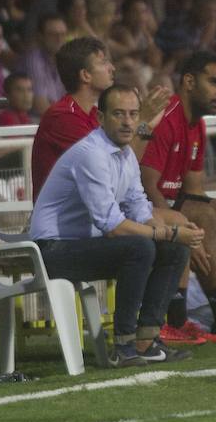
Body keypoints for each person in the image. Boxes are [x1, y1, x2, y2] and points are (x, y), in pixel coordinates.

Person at [29, 85, 203, 367]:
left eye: (133, 114)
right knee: (140, 247)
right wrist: (168, 231)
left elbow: (139, 207)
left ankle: (147, 339)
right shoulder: (91, 154)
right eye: (119, 114)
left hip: (82, 245)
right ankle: (124, 345)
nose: (127, 122)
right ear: (100, 118)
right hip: (51, 250)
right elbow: (112, 226)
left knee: (174, 250)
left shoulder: (125, 156)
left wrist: (174, 236)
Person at [140, 51, 216, 341]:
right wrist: (179, 227)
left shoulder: (197, 123)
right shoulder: (166, 117)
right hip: (142, 207)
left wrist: (197, 230)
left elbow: (193, 190)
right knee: (200, 215)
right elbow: (145, 184)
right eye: (214, 83)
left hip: (169, 205)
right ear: (189, 81)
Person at [31, 36, 169, 200]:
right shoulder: (63, 117)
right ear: (85, 75)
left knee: (178, 220)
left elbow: (127, 164)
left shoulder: (95, 114)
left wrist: (147, 126)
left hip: (97, 210)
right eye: (103, 62)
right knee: (171, 223)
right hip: (66, 221)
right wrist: (143, 121)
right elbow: (112, 170)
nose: (112, 68)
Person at [13, 12, 66, 115]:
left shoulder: (63, 59)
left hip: (57, 119)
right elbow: (41, 106)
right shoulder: (33, 59)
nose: (59, 39)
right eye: (53, 34)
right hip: (34, 124)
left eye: (62, 34)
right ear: (40, 36)